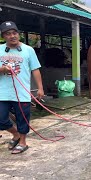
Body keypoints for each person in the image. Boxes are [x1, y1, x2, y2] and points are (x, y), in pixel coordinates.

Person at [0, 21, 44, 154]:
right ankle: (16, 134)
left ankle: (23, 142)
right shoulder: (0, 49)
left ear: (18, 34)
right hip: (3, 92)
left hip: (22, 92)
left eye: (14, 33)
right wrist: (2, 69)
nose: (12, 36)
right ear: (3, 36)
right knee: (1, 119)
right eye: (8, 34)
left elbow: (35, 69)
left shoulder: (28, 50)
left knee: (23, 118)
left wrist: (40, 88)